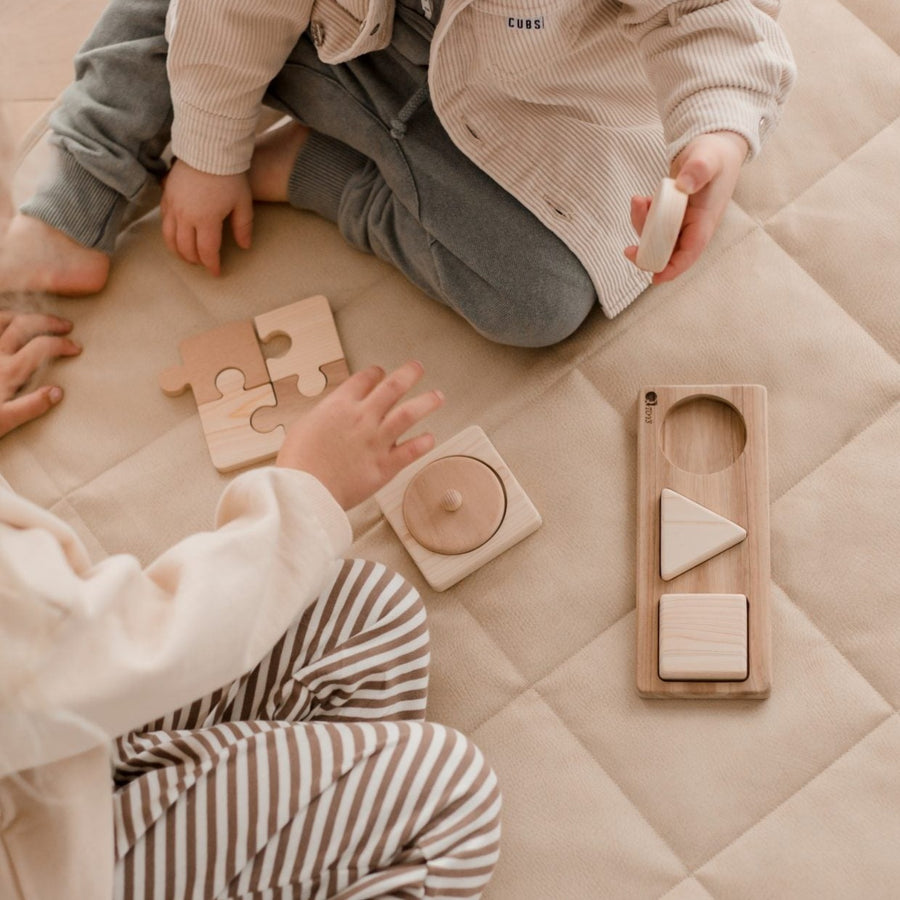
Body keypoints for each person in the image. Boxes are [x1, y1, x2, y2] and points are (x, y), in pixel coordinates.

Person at [0, 320, 502, 900]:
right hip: (62, 871)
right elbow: (116, 644)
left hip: (57, 758)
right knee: (453, 790)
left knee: (370, 614)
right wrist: (304, 491)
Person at [0, 0, 796, 347]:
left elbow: (712, 15)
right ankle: (79, 193)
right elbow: (226, 16)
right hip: (312, 35)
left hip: (512, 98)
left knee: (541, 301)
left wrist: (718, 131)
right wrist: (211, 151)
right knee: (175, 19)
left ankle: (310, 169)